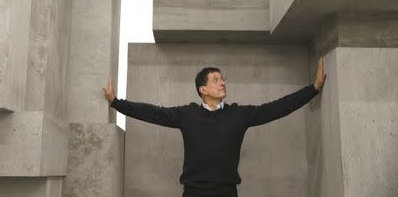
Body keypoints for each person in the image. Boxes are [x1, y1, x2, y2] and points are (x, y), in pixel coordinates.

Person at [102, 57, 327, 197]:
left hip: (227, 193)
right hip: (193, 194)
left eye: (223, 79)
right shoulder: (186, 114)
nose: (223, 83)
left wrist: (314, 88)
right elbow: (151, 112)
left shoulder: (239, 114)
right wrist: (116, 102)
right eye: (216, 80)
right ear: (202, 89)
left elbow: (278, 108)